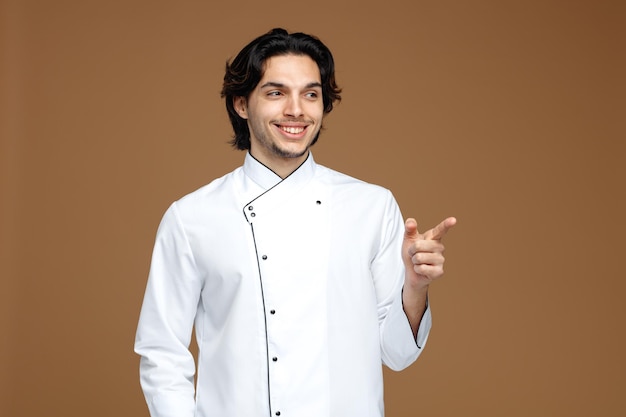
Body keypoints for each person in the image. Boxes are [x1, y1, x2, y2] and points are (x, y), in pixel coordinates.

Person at [134, 28, 456, 417]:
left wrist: (415, 288)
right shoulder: (191, 218)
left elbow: (398, 355)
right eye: (275, 93)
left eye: (310, 93)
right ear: (240, 103)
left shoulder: (371, 207)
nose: (296, 110)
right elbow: (162, 353)